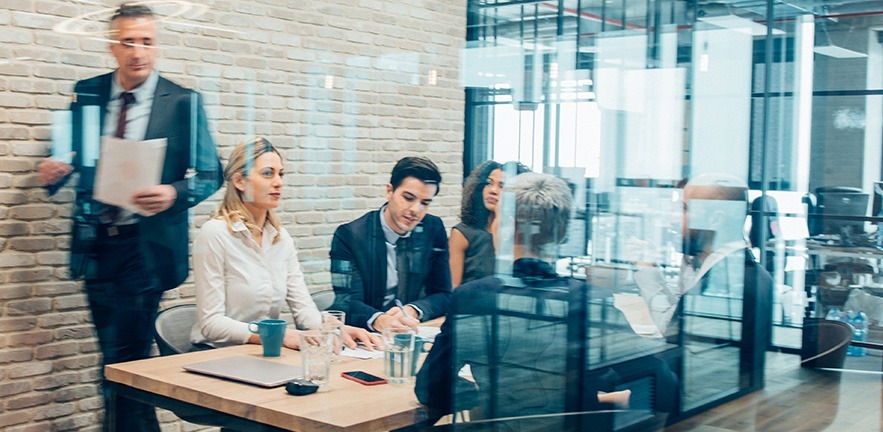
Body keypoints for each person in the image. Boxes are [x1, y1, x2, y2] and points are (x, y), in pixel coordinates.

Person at [36, 4, 222, 431]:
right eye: (128, 41)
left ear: (156, 46)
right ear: (112, 46)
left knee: (124, 362)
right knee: (117, 364)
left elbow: (211, 172)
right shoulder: (87, 92)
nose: (138, 51)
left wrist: (174, 192)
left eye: (147, 41)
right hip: (97, 245)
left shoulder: (183, 102)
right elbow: (67, 156)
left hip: (147, 250)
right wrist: (53, 170)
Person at [415, 173, 633, 428]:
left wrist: (486, 395)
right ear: (562, 233)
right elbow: (660, 381)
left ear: (508, 227)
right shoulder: (593, 299)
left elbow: (431, 388)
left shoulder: (474, 298)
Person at [191, 137, 380, 350]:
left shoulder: (281, 238)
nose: (279, 182)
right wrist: (278, 335)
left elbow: (304, 309)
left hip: (262, 352)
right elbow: (211, 324)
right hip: (214, 354)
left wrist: (337, 329)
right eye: (267, 173)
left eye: (281, 174)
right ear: (240, 181)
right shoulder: (215, 233)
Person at [329, 156, 452, 331]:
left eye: (425, 203)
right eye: (409, 198)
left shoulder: (433, 228)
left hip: (411, 331)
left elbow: (444, 294)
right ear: (389, 191)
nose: (416, 210)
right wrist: (381, 320)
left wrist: (413, 310)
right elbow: (347, 301)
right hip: (368, 336)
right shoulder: (350, 236)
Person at [449, 161, 528, 287]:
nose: (493, 190)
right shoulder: (463, 233)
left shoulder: (521, 236)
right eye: (488, 183)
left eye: (502, 186)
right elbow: (452, 290)